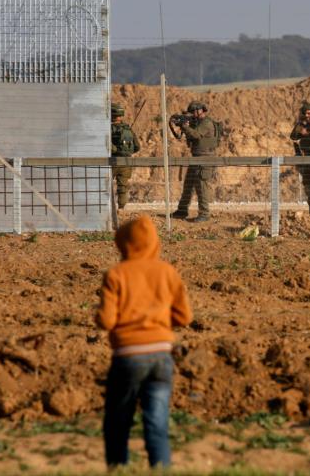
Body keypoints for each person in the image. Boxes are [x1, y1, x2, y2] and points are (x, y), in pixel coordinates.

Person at [96, 215, 193, 468]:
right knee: (157, 423)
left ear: (123, 243)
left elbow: (106, 321)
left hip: (128, 356)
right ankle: (160, 469)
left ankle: (118, 468)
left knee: (118, 421)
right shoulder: (167, 272)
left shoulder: (116, 275)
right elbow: (184, 316)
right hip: (162, 357)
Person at [170, 101, 217, 223]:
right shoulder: (197, 123)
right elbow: (191, 138)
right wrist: (183, 126)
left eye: (195, 111)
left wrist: (185, 126)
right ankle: (182, 210)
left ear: (201, 110)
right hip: (196, 157)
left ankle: (204, 213)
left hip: (205, 159)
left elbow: (196, 135)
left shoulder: (206, 123)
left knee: (202, 187)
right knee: (188, 185)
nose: (193, 114)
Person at [111, 103, 141, 209]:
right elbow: (137, 147)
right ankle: (121, 208)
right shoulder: (128, 129)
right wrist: (126, 152)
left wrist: (117, 151)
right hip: (126, 163)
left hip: (112, 161)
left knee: (105, 185)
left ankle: (107, 209)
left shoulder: (109, 129)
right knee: (122, 187)